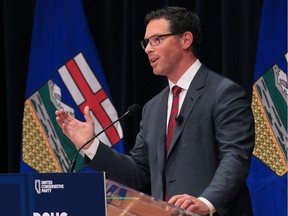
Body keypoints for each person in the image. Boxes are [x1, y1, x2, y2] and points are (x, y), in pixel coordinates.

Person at [55, 6, 255, 216]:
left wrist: (205, 201)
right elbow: (138, 173)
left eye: (156, 39)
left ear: (186, 40)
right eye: (146, 42)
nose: (148, 49)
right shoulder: (153, 108)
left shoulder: (223, 93)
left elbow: (235, 157)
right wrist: (91, 146)